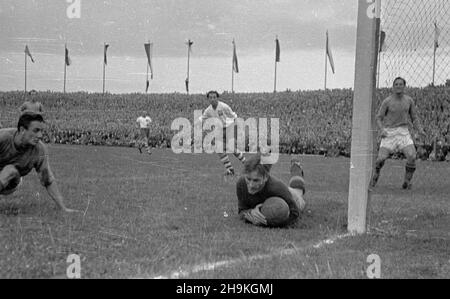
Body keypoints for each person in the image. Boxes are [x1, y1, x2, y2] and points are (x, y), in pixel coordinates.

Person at [0, 112, 77, 213]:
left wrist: (63, 208)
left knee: (10, 171)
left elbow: (47, 179)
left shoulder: (41, 151)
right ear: (22, 130)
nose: (40, 135)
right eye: (36, 131)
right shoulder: (3, 137)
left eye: (41, 131)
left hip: (10, 181)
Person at [371, 77, 426, 189]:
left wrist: (420, 130)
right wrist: (382, 129)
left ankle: (406, 182)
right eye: (396, 84)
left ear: (404, 86)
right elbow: (378, 118)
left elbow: (414, 117)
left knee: (412, 155)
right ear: (393, 86)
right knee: (381, 159)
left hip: (403, 132)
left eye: (401, 84)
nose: (398, 86)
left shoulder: (409, 100)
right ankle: (375, 175)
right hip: (389, 132)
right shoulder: (387, 101)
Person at [236, 154, 306, 227]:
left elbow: (295, 214)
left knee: (298, 190)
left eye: (256, 180)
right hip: (281, 191)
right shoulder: (241, 184)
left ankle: (296, 166)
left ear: (265, 177)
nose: (250, 185)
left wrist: (268, 222)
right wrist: (250, 213)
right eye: (248, 179)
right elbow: (242, 211)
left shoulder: (277, 188)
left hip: (292, 196)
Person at [198, 91, 245, 176]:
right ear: (208, 99)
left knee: (232, 148)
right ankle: (230, 170)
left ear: (217, 98)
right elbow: (202, 120)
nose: (212, 99)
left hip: (229, 127)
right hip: (219, 130)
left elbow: (234, 116)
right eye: (210, 97)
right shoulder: (208, 110)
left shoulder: (224, 106)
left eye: (214, 97)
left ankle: (247, 165)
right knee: (219, 150)